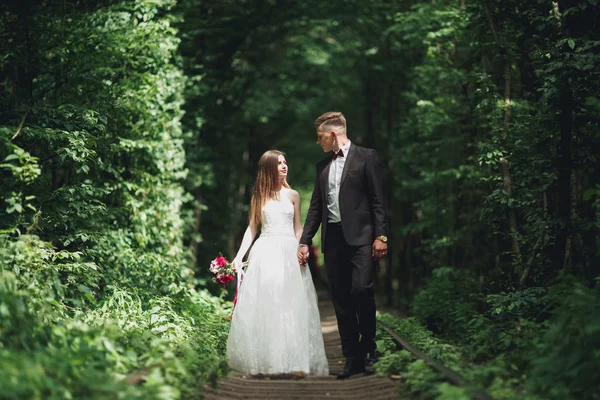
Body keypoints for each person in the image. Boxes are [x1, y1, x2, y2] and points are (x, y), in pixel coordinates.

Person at [298, 112, 388, 380]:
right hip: (333, 239)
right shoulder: (322, 166)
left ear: (333, 134)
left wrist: (381, 236)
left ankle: (369, 348)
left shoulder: (367, 157)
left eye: (320, 137)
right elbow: (316, 208)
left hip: (362, 237)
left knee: (361, 289)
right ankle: (352, 358)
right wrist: (305, 240)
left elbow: (378, 200)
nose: (318, 142)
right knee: (341, 300)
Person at [227, 150, 329, 376]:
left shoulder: (292, 195)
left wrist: (303, 245)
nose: (284, 166)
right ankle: (266, 361)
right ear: (268, 168)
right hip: (265, 252)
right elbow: (252, 229)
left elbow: (298, 227)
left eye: (285, 162)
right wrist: (239, 256)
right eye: (279, 163)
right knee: (267, 305)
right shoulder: (258, 197)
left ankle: (294, 362)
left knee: (291, 305)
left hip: (289, 252)